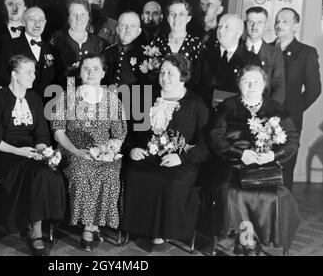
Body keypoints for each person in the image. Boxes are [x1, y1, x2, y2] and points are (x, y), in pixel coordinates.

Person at [208, 65, 300, 255]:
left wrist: (273, 155)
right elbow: (215, 137)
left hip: (265, 168)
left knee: (280, 196)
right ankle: (246, 242)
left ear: (264, 84)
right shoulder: (226, 107)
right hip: (233, 165)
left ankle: (261, 238)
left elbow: (292, 141)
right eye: (246, 81)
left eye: (256, 81)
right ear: (239, 84)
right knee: (233, 194)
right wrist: (240, 154)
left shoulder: (277, 109)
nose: (251, 86)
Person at [121, 53, 209, 248]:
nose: (165, 77)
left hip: (181, 162)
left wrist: (182, 157)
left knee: (171, 182)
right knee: (133, 173)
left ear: (183, 75)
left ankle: (162, 232)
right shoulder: (146, 97)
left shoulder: (196, 103)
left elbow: (205, 145)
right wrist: (132, 148)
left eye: (171, 73)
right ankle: (138, 228)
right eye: (162, 72)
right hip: (147, 157)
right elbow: (129, 131)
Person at [0, 55, 66, 256]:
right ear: (14, 74)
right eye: (28, 72)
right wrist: (19, 151)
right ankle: (36, 230)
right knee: (36, 173)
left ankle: (36, 223)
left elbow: (41, 133)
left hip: (29, 151)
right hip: (5, 153)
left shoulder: (35, 99)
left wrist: (41, 149)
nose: (34, 76)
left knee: (50, 172)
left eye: (34, 71)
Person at [51, 53, 127, 252]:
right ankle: (88, 227)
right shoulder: (67, 97)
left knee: (110, 173)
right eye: (86, 68)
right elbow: (58, 132)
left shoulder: (112, 99)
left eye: (95, 68)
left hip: (103, 153)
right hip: (73, 150)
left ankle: (93, 224)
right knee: (82, 171)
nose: (91, 72)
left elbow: (119, 133)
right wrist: (76, 150)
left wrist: (109, 150)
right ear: (80, 72)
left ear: (103, 73)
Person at [272, 8, 321, 192]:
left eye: (285, 21)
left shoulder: (306, 53)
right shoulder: (265, 48)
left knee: (284, 172)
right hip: (260, 119)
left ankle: (282, 217)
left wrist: (293, 109)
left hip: (288, 121)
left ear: (296, 25)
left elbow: (314, 89)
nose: (279, 24)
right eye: (277, 20)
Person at [199, 14, 261, 108]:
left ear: (238, 32)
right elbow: (197, 86)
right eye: (220, 26)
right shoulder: (205, 55)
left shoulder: (251, 59)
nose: (221, 30)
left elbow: (257, 91)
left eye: (227, 27)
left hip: (237, 113)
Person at [0, 7, 57, 99]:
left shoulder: (52, 48)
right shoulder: (10, 45)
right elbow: (3, 77)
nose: (37, 24)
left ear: (45, 22)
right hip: (19, 103)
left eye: (41, 20)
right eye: (31, 20)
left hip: (47, 105)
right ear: (23, 22)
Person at [50, 0, 106, 88]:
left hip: (91, 93)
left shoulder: (98, 42)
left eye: (83, 14)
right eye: (74, 14)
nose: (78, 18)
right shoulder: (57, 39)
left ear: (88, 17)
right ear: (68, 17)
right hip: (62, 91)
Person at [154, 0, 205, 88]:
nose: (176, 18)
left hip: (188, 95)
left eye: (181, 14)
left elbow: (200, 78)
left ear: (188, 18)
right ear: (168, 17)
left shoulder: (197, 44)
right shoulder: (157, 42)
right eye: (172, 14)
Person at [245, 6, 285, 104]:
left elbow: (278, 87)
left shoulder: (274, 53)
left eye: (259, 22)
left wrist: (268, 111)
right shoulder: (236, 48)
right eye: (251, 22)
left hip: (263, 109)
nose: (254, 26)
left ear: (265, 26)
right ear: (245, 24)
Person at [103, 11, 145, 87]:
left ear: (139, 31)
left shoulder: (143, 54)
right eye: (123, 25)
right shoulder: (107, 52)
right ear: (117, 30)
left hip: (134, 97)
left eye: (132, 26)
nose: (127, 29)